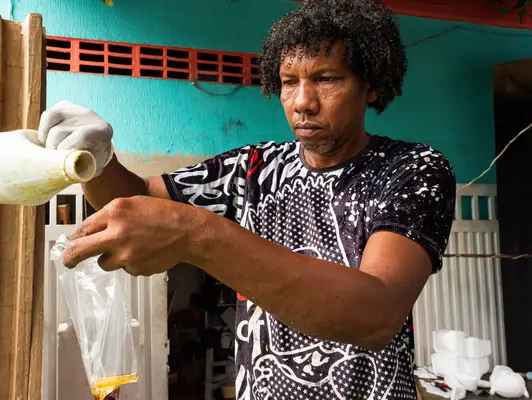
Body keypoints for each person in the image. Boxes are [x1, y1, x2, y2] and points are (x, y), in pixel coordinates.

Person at [39, 0, 456, 398]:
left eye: (327, 79)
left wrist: (196, 233)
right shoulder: (253, 166)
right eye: (290, 83)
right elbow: (138, 200)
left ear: (372, 86)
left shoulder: (411, 169)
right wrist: (94, 160)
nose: (303, 102)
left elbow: (376, 313)